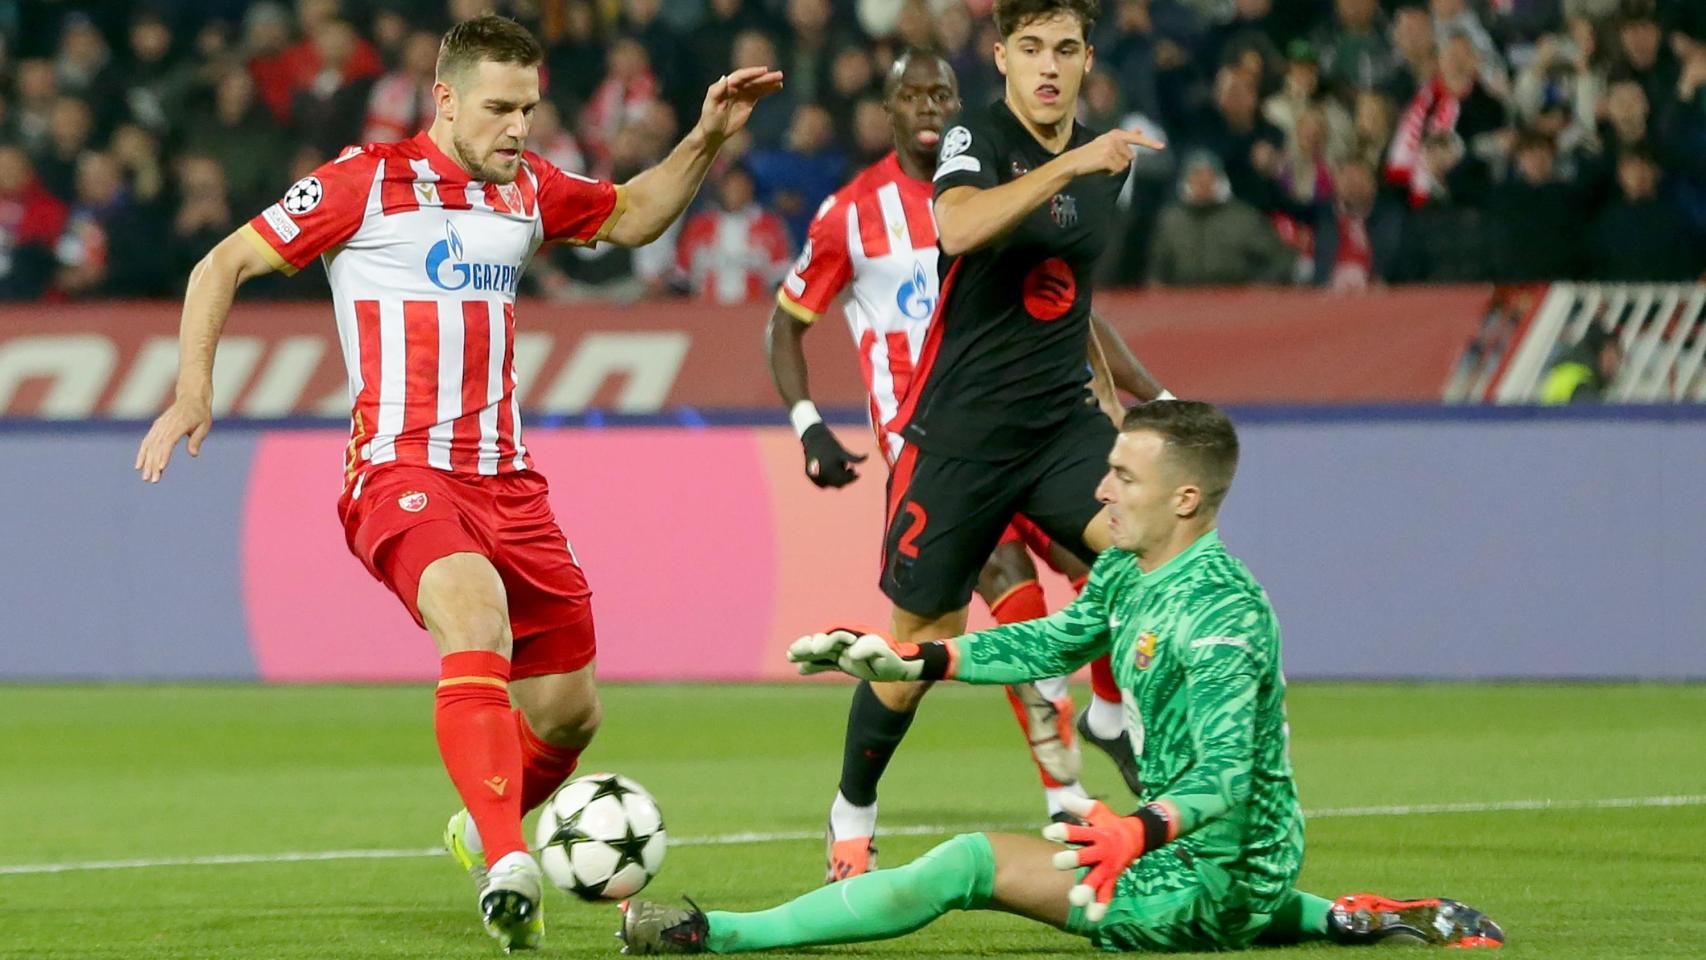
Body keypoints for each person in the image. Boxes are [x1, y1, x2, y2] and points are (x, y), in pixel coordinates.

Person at [132, 14, 782, 952]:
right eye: (499, 109)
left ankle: (485, 813)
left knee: (570, 713)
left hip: (510, 484)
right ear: (444, 99)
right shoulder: (364, 182)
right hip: (399, 470)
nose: (518, 129)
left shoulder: (528, 190)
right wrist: (195, 390)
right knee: (476, 622)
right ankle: (508, 861)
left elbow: (635, 214)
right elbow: (221, 262)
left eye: (530, 110)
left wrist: (706, 136)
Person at [618, 400, 1506, 955]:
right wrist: (917, 657)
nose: (1103, 488)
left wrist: (1138, 831)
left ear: (1185, 500)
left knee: (967, 864)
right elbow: (1049, 642)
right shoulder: (1127, 569)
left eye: (1124, 475)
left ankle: (715, 933)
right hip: (1224, 863)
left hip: (1206, 874)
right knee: (1035, 850)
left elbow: (1226, 783)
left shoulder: (1227, 616)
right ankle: (1343, 917)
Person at [801, 0, 1171, 883]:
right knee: (912, 648)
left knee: (1154, 564)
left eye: (1067, 50)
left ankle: (1125, 730)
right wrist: (1074, 161)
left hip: (1058, 428)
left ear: (1088, 60)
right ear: (1002, 56)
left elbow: (1069, 298)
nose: (1049, 67)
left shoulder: (1104, 167)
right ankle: (852, 806)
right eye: (1032, 48)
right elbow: (959, 226)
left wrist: (1122, 409)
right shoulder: (976, 137)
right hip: (960, 435)